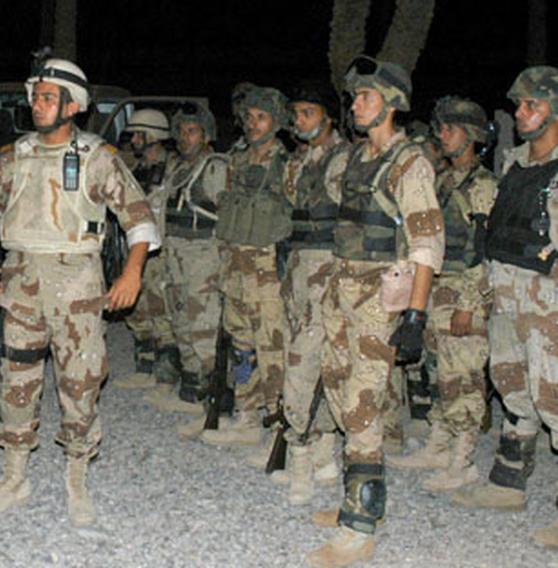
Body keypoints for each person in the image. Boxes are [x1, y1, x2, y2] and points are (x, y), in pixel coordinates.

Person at [0, 57, 159, 527]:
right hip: (21, 282)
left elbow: (139, 220)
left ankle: (77, 476)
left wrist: (132, 273)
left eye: (49, 97)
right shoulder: (14, 157)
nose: (38, 103)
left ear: (72, 106)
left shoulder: (97, 158)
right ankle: (15, 476)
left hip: (77, 284)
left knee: (80, 382)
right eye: (36, 95)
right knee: (17, 380)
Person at [307, 56, 443, 568]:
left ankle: (359, 528)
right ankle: (361, 492)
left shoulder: (410, 163)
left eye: (366, 96)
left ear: (392, 102)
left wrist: (415, 315)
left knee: (362, 402)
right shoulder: (357, 158)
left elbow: (427, 243)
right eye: (355, 96)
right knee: (342, 392)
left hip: (379, 301)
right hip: (343, 291)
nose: (356, 104)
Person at [451, 66, 558, 549]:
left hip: (547, 302)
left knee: (554, 399)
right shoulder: (513, 164)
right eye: (519, 105)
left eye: (531, 105)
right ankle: (507, 484)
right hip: (506, 293)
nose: (520, 114)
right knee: (512, 388)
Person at [387, 96, 495, 494]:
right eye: (442, 129)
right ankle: (438, 443)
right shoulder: (443, 181)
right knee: (439, 375)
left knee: (462, 379)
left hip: (462, 292)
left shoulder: (484, 186)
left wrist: (469, 304)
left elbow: (483, 250)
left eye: (451, 129)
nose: (442, 136)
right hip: (435, 289)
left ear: (472, 137)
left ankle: (462, 458)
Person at [204, 86, 291, 452]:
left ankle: (280, 426)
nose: (253, 125)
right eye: (250, 117)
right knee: (241, 346)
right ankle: (247, 415)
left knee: (273, 350)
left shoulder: (287, 165)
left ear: (277, 122)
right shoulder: (236, 161)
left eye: (262, 118)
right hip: (235, 267)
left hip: (269, 272)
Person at [276, 82, 348, 504]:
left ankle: (301, 455)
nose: (300, 121)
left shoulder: (344, 160)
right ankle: (323, 452)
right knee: (301, 355)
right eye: (297, 113)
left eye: (308, 112)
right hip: (298, 266)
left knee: (306, 364)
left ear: (328, 116)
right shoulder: (300, 162)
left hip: (328, 270)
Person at [143, 105, 228, 420]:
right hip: (175, 257)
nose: (184, 137)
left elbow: (227, 217)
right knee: (181, 325)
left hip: (203, 260)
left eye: (192, 131)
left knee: (203, 330)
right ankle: (191, 391)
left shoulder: (216, 168)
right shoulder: (177, 169)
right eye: (181, 131)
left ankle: (212, 403)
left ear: (207, 136)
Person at [113, 108, 178, 390]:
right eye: (134, 134)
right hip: (137, 249)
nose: (135, 140)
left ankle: (165, 376)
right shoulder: (135, 168)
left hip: (162, 252)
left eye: (140, 134)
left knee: (161, 312)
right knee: (138, 311)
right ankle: (145, 367)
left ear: (156, 136)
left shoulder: (175, 168)